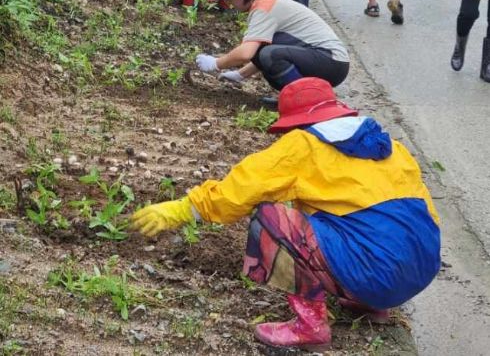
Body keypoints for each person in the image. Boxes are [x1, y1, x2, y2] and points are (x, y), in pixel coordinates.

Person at [131, 76, 441, 352]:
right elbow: (425, 213)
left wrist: (182, 209)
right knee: (347, 224)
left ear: (298, 122)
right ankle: (370, 303)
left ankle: (310, 327)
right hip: (421, 268)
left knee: (271, 218)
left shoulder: (304, 144)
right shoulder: (392, 148)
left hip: (374, 271)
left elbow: (242, 188)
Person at [193, 0, 349, 90]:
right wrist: (239, 75)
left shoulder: (264, 8)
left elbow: (246, 53)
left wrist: (215, 63)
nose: (228, 1)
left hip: (332, 61)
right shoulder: (265, 3)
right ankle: (294, 97)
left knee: (270, 54)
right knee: (263, 49)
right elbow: (259, 51)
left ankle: (306, 99)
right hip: (325, 59)